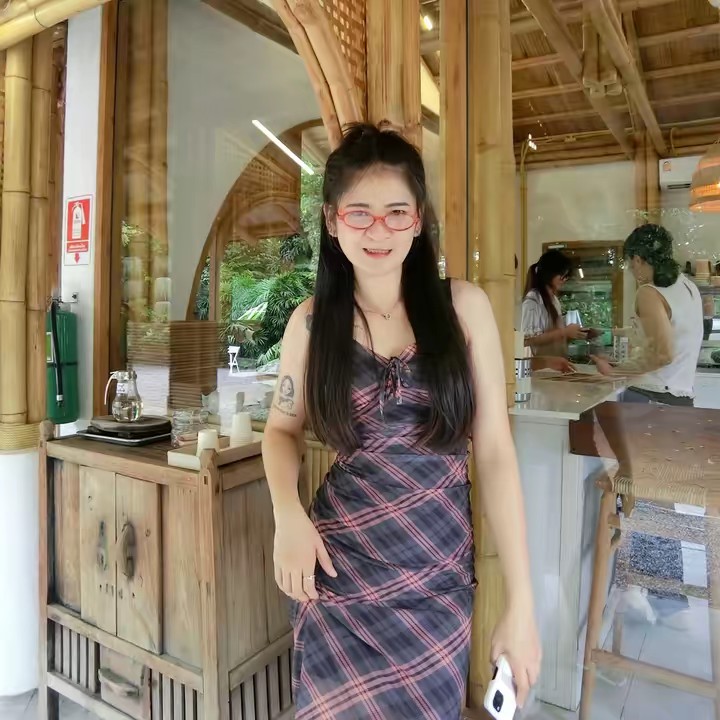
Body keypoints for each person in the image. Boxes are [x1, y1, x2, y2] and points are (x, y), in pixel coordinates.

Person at [261, 124, 540, 719]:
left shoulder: (464, 309)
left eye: (396, 212)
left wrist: (522, 603)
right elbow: (280, 431)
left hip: (437, 577)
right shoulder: (309, 324)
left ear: (418, 221)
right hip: (337, 570)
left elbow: (494, 452)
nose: (378, 230)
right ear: (332, 221)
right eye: (359, 213)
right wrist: (287, 514)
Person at [592, 223, 703, 628]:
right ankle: (665, 596)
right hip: (681, 404)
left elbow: (662, 353)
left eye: (631, 262)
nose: (631, 270)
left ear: (639, 260)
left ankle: (641, 589)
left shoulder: (648, 292)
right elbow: (671, 344)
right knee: (660, 499)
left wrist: (618, 370)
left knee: (640, 497)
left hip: (651, 405)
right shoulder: (688, 287)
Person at [521, 249, 586, 356]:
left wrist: (572, 334)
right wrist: (564, 332)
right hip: (539, 363)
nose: (564, 280)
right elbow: (526, 340)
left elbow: (555, 338)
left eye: (566, 276)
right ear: (549, 274)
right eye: (562, 275)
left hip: (555, 361)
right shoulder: (532, 301)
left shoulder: (554, 300)